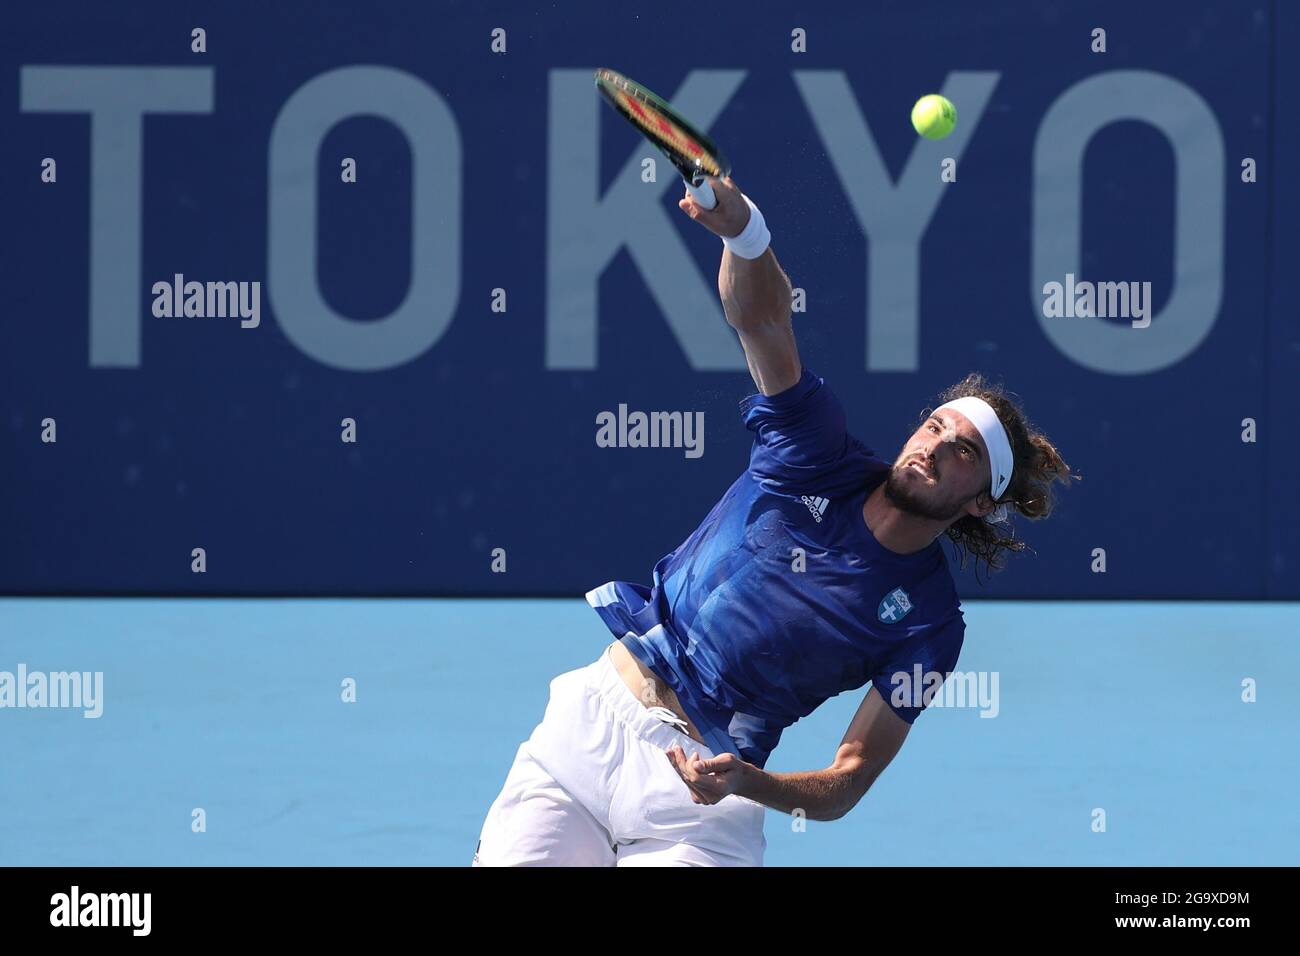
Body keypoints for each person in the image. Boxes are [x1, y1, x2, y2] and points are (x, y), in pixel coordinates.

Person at [472, 176, 1074, 866]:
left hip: (705, 804)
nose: (933, 446)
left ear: (981, 503)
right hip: (592, 725)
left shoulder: (930, 626)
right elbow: (761, 322)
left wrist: (749, 781)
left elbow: (849, 779)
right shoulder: (814, 450)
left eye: (961, 450)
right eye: (934, 426)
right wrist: (743, 232)